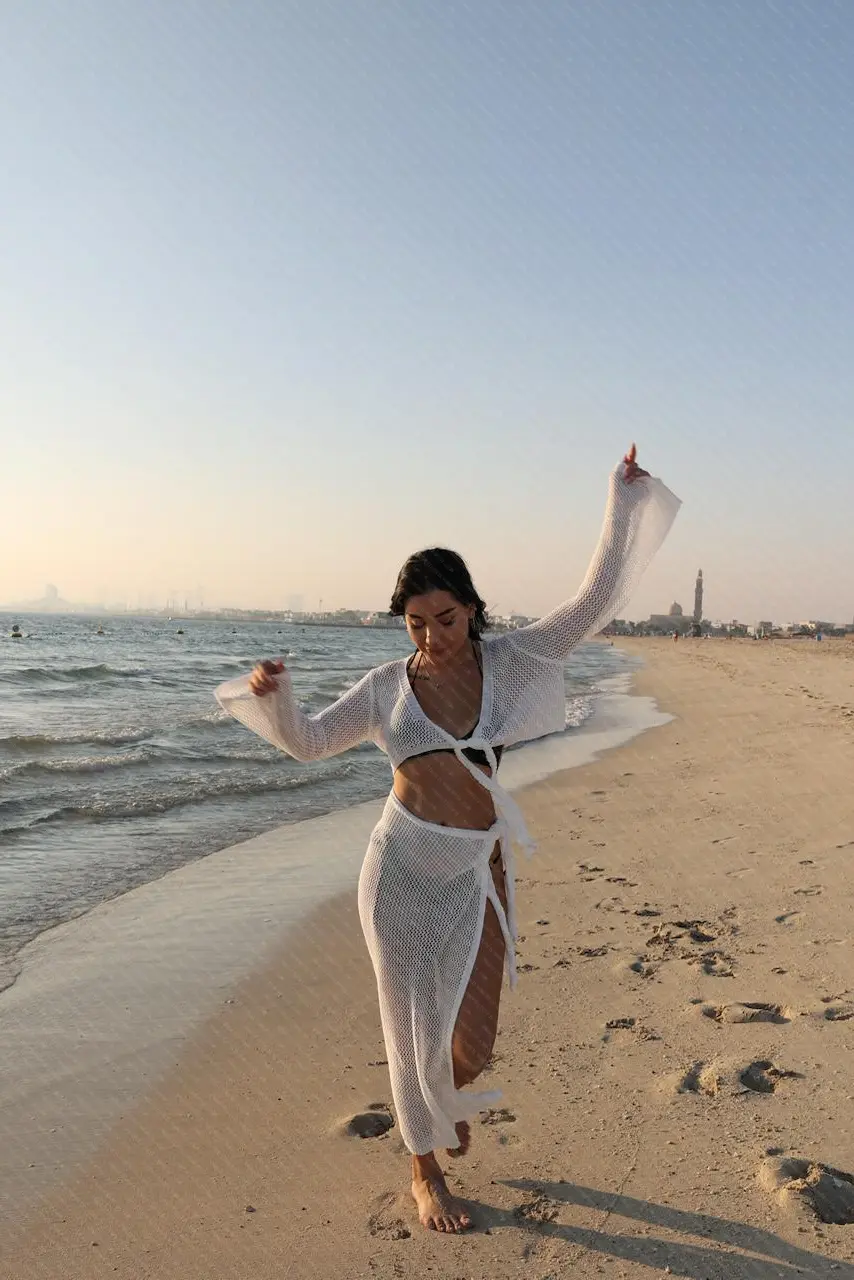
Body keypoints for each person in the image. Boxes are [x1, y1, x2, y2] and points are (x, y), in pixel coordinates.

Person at [215, 445, 680, 1234]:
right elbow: (310, 742)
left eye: (447, 619)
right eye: (416, 623)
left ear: (472, 608)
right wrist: (275, 697)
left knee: (473, 1043)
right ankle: (423, 1171)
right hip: (398, 871)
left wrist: (622, 498)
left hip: (475, 870)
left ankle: (439, 1104)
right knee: (411, 1032)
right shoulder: (385, 689)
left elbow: (594, 599)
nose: (433, 637)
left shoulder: (514, 661)